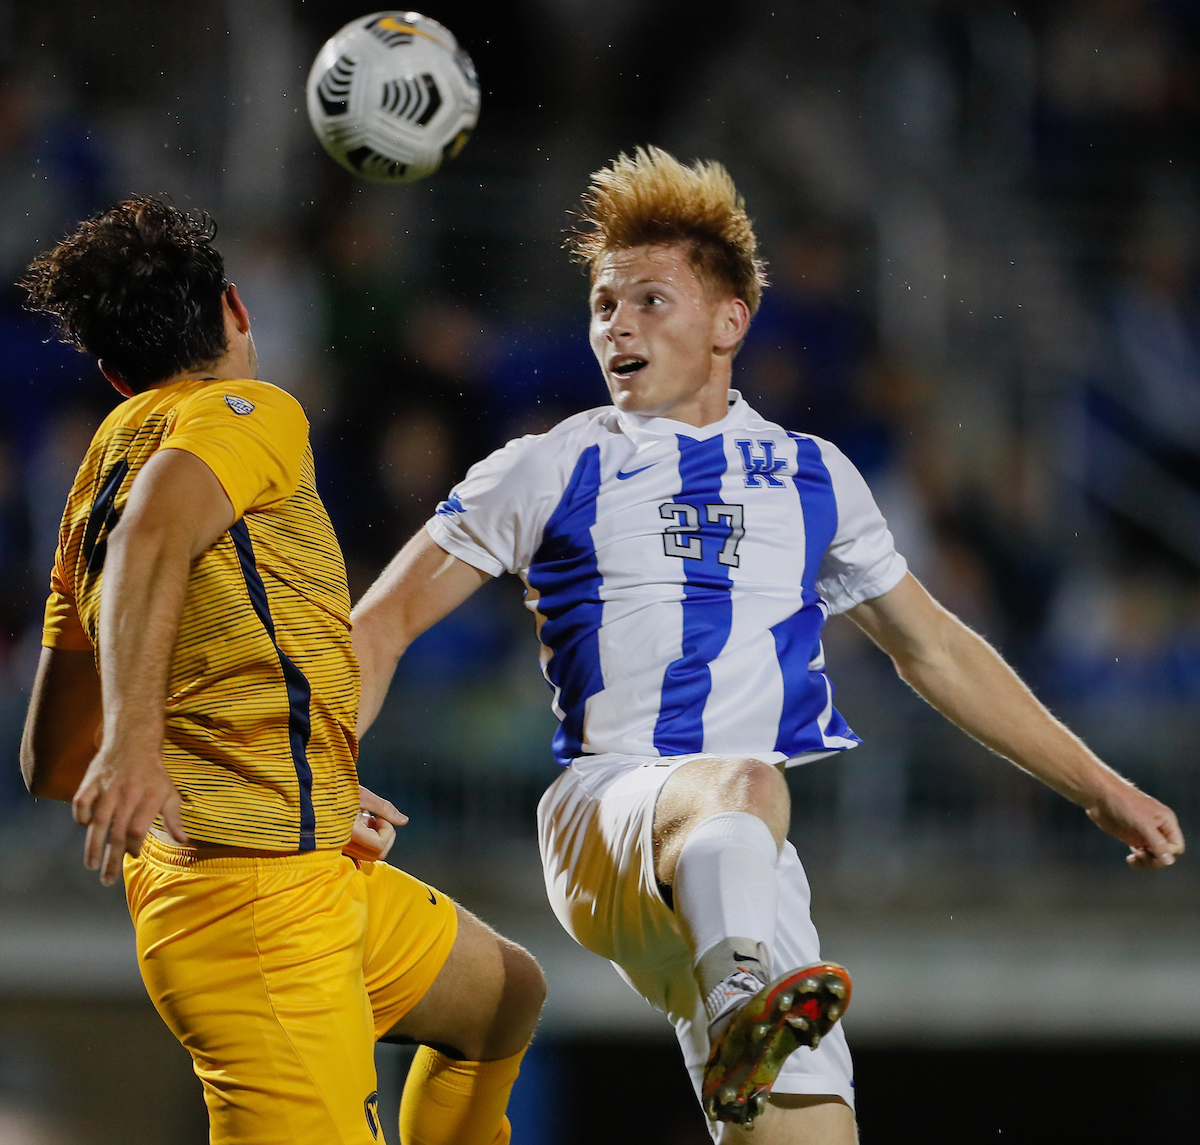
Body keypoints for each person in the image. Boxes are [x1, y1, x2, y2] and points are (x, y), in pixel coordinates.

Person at [350, 148, 1186, 1144]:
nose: (618, 324)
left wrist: (1099, 783)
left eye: (650, 299)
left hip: (744, 862)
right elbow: (381, 621)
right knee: (743, 783)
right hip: (607, 817)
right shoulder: (551, 461)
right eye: (603, 303)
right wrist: (322, 769)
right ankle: (745, 991)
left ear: (729, 321)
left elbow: (937, 649)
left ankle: (743, 994)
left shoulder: (815, 476)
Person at [18, 197, 544, 1145]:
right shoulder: (243, 409)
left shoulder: (91, 482)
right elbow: (156, 531)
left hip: (287, 868)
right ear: (236, 311)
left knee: (500, 996)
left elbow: (53, 763)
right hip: (255, 916)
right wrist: (138, 742)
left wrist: (281, 778)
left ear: (110, 372)